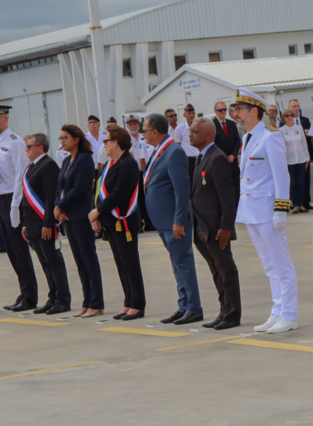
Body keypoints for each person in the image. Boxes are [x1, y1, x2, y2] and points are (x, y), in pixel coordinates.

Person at [232, 88, 298, 334]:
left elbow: (282, 175)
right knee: (269, 265)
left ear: (254, 111)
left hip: (268, 210)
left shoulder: (271, 136)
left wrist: (281, 209)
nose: (236, 113)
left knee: (282, 265)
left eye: (240, 109)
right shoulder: (247, 137)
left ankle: (289, 315)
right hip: (251, 210)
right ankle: (277, 311)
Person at [142, 113, 203, 325]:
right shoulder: (160, 150)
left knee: (184, 262)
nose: (143, 134)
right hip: (163, 220)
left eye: (145, 130)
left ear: (155, 132)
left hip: (174, 220)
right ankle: (184, 304)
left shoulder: (174, 151)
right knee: (177, 263)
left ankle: (194, 307)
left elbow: (181, 190)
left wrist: (179, 220)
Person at [189, 117, 242, 330]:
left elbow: (227, 197)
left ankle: (232, 314)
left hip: (216, 227)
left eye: (195, 131)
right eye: (190, 130)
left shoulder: (217, 158)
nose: (190, 134)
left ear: (208, 135)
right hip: (203, 226)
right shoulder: (202, 157)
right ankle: (224, 310)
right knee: (216, 270)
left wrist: (226, 227)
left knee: (225, 269)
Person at [89, 126, 146, 321]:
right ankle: (128, 300)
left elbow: (119, 193)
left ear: (116, 142)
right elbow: (99, 189)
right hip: (110, 221)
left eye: (106, 141)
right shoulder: (110, 164)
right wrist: (98, 216)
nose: (103, 145)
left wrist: (97, 211)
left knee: (130, 262)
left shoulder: (128, 163)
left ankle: (138, 304)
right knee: (121, 263)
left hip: (124, 220)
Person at [0, 104, 38, 313]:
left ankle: (30, 295)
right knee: (11, 250)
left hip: (11, 200)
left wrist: (16, 206)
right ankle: (24, 291)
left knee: (20, 249)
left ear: (5, 117)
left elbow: (20, 176)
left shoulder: (15, 142)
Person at [54, 124, 104, 318]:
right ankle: (87, 300)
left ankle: (97, 302)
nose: (62, 141)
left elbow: (81, 188)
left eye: (65, 137)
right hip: (68, 215)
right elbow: (60, 187)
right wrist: (59, 205)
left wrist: (60, 206)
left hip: (80, 214)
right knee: (79, 260)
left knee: (88, 258)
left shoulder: (84, 160)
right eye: (60, 138)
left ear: (76, 139)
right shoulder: (66, 161)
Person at [19, 133, 71, 315]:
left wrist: (49, 222)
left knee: (54, 261)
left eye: (29, 146)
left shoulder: (48, 165)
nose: (26, 149)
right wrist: (25, 224)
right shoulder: (32, 166)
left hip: (44, 224)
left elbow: (51, 198)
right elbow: (26, 199)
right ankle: (53, 296)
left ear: (40, 147)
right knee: (45, 263)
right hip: (33, 224)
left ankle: (63, 299)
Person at [279, 109, 309, 214]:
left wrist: (307, 158)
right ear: (284, 118)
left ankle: (301, 204)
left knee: (301, 182)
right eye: (287, 116)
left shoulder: (299, 128)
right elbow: (281, 147)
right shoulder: (281, 130)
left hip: (301, 158)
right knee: (292, 183)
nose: (290, 117)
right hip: (289, 160)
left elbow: (304, 143)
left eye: (291, 115)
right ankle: (295, 204)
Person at [288, 99, 313, 211]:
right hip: (292, 157)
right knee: (294, 181)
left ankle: (306, 202)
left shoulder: (305, 120)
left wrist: (311, 155)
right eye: (294, 106)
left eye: (298, 106)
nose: (296, 108)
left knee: (305, 179)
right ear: (289, 107)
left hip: (304, 155)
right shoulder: (285, 123)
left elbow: (308, 140)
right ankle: (295, 203)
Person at [176, 103, 199, 181]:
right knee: (190, 181)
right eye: (189, 113)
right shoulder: (179, 129)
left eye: (192, 113)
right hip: (188, 159)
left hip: (199, 157)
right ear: (184, 115)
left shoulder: (199, 126)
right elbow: (177, 146)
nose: (191, 115)